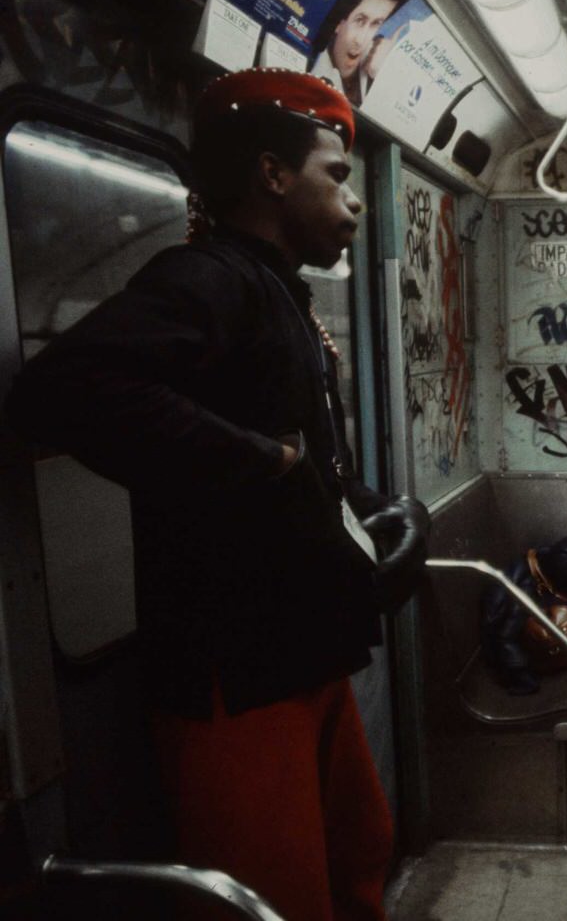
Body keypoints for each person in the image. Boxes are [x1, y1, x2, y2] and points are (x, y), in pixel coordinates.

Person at [2, 68, 430, 920]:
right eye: (337, 177)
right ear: (272, 175)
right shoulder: (209, 280)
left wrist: (375, 510)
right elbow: (66, 387)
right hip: (234, 679)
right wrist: (259, 461)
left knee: (360, 854)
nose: (353, 205)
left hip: (304, 653)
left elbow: (309, 455)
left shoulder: (280, 296)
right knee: (279, 897)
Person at [310, 0, 411, 106]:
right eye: (359, 20)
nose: (361, 41)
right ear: (338, 23)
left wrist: (382, 77)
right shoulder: (312, 70)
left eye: (376, 23)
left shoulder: (380, 66)